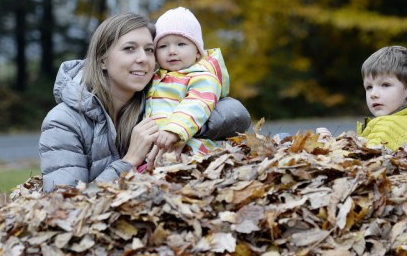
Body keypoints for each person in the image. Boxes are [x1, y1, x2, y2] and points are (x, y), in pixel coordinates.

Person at [39, 12, 250, 192]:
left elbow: (237, 114)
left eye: (149, 50)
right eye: (129, 48)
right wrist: (129, 161)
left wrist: (178, 130)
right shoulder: (63, 122)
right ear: (103, 60)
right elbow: (63, 204)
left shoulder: (153, 95)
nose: (143, 58)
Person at [145, 7, 229, 156]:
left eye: (181, 44)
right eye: (163, 46)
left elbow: (197, 104)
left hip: (191, 149)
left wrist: (174, 130)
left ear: (197, 51)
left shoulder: (203, 77)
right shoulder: (155, 78)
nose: (172, 51)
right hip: (158, 150)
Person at [354, 46, 407, 154]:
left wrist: (326, 146)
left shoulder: (389, 126)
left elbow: (361, 161)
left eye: (385, 85)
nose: (373, 94)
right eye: (369, 87)